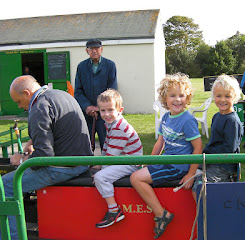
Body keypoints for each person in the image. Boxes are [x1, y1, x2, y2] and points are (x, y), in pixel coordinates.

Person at [1, 75, 93, 240]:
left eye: (19, 101)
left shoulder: (38, 107)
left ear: (27, 92)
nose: (20, 106)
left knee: (4, 186)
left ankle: (11, 237)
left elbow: (44, 156)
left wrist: (21, 160)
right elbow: (54, 125)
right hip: (83, 160)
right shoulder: (59, 94)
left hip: (63, 168)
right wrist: (31, 141)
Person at [130, 73, 203, 239]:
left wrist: (190, 174)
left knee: (136, 178)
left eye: (182, 96)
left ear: (188, 97)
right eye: (172, 96)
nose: (177, 100)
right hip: (166, 162)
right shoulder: (165, 117)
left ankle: (161, 214)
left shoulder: (187, 120)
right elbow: (159, 143)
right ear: (165, 98)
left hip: (178, 166)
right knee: (135, 174)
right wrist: (149, 162)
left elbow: (198, 147)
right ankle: (161, 213)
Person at [93, 89, 143, 228]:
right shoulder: (111, 123)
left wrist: (101, 169)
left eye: (110, 110)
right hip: (122, 158)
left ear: (120, 109)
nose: (107, 114)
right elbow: (107, 147)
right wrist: (99, 163)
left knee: (100, 177)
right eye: (103, 111)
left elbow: (111, 157)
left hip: (130, 162)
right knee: (97, 169)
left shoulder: (120, 127)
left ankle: (114, 211)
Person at [192, 74, 243, 196]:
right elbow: (213, 142)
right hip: (210, 160)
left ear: (235, 97)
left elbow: (229, 149)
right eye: (218, 96)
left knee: (199, 187)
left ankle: (205, 214)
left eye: (227, 96)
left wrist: (209, 156)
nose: (222, 100)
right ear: (213, 96)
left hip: (222, 165)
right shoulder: (216, 116)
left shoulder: (232, 121)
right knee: (187, 172)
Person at [74, 38, 118, 152]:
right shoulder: (81, 67)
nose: (94, 51)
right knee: (85, 145)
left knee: (107, 145)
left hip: (105, 114)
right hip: (87, 114)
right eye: (91, 48)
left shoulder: (110, 65)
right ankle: (86, 168)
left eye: (97, 48)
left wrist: (100, 108)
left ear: (101, 49)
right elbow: (78, 91)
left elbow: (112, 91)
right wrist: (87, 106)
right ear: (86, 51)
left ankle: (107, 168)